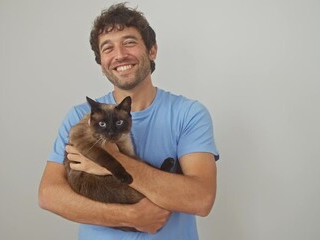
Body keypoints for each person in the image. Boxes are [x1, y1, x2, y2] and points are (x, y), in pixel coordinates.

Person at [39, 3, 219, 240]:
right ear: (101, 62)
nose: (120, 54)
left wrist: (111, 161)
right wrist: (131, 216)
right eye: (108, 48)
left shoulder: (189, 113)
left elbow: (201, 199)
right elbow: (49, 195)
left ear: (152, 51)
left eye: (129, 42)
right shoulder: (80, 116)